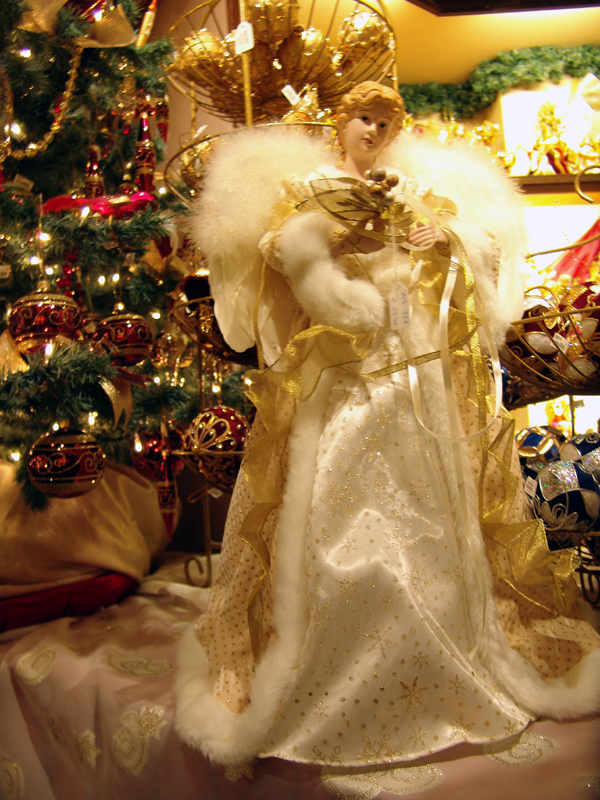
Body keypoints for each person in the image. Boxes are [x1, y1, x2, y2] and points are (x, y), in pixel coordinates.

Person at [175, 82, 600, 768]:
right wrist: (324, 244)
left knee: (435, 508)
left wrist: (446, 237)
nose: (372, 131)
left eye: (384, 121)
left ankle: (450, 654)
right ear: (341, 123)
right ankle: (330, 662)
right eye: (363, 118)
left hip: (417, 369)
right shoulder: (310, 188)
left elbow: (475, 256)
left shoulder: (413, 189)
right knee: (334, 502)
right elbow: (274, 252)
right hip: (343, 368)